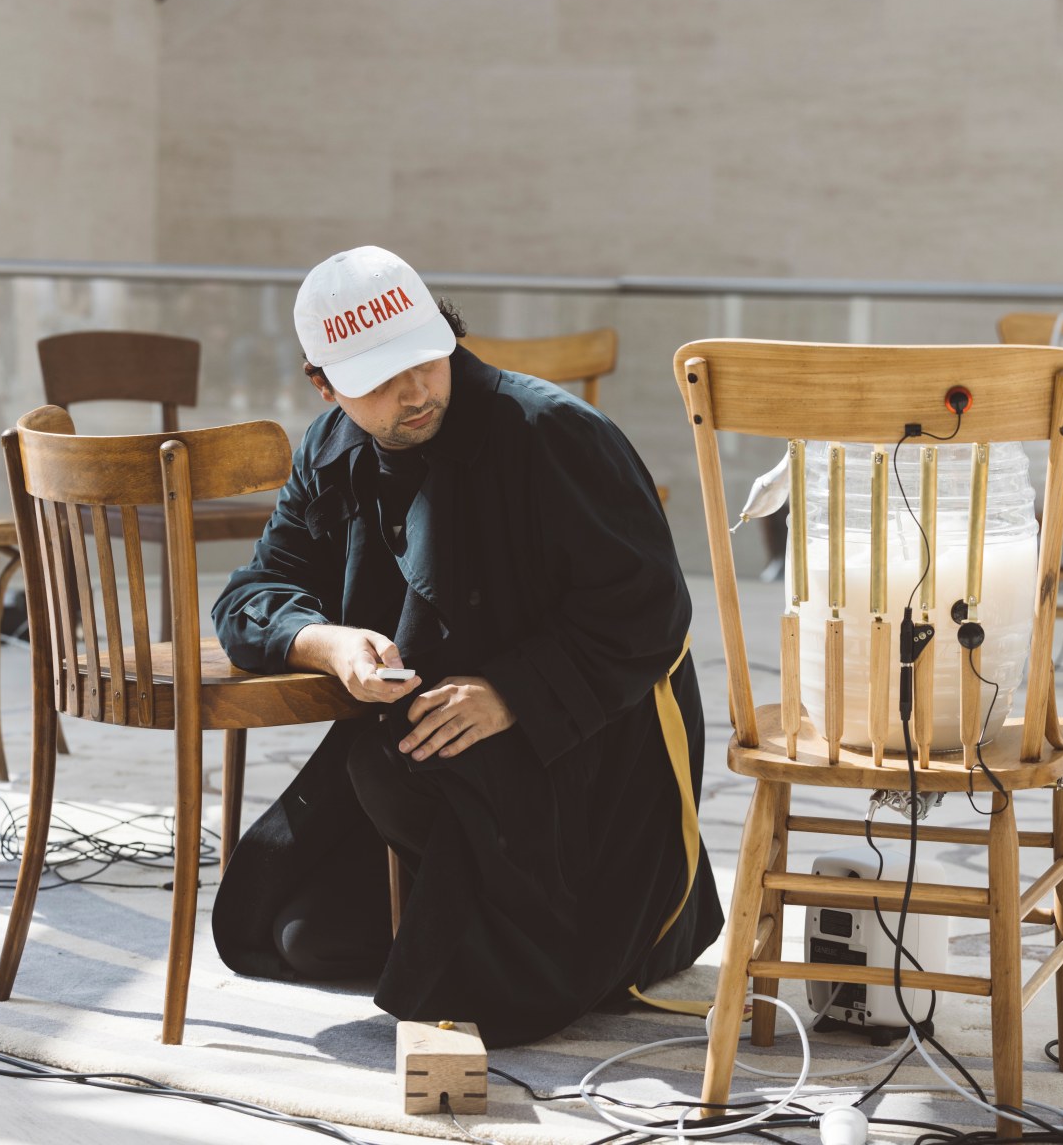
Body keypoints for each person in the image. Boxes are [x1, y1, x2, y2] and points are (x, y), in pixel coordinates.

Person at [210, 245, 722, 1047]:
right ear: (324, 385)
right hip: (423, 755)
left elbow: (650, 611)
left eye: (424, 359)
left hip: (584, 757)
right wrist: (326, 642)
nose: (412, 392)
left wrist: (510, 692)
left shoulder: (553, 433)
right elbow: (249, 598)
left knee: (472, 974)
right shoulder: (328, 450)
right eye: (378, 378)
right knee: (290, 931)